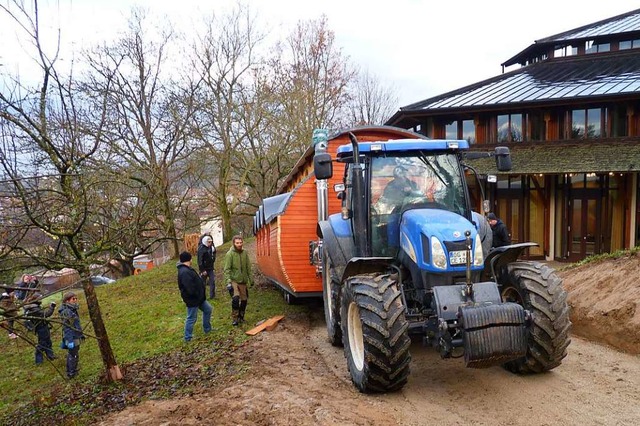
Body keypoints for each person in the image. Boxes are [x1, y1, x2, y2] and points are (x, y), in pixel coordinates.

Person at [177, 251, 212, 341]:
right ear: (189, 259)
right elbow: (189, 288)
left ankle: (207, 329)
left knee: (208, 309)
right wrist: (196, 294)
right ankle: (187, 337)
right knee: (191, 318)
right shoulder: (184, 271)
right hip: (193, 299)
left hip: (199, 298)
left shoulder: (186, 269)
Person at [223, 235, 253, 326]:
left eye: (240, 242)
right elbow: (227, 269)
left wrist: (250, 279)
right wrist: (228, 281)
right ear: (234, 243)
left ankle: (241, 316)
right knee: (235, 299)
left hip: (243, 280)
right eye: (237, 243)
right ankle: (235, 318)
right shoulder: (230, 254)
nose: (239, 244)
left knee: (244, 300)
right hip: (233, 280)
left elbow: (248, 267)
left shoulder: (245, 253)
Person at [23, 293, 56, 364]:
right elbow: (45, 314)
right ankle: (38, 361)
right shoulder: (34, 308)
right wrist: (52, 307)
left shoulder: (35, 306)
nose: (41, 299)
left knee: (48, 342)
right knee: (42, 344)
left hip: (43, 326)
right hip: (40, 327)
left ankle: (51, 356)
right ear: (36, 299)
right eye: (40, 298)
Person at [59, 292, 84, 378]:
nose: (75, 300)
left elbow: (76, 324)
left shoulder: (72, 309)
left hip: (75, 335)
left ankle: (72, 370)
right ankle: (71, 373)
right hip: (72, 337)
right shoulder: (67, 312)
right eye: (73, 299)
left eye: (76, 298)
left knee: (73, 353)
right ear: (67, 301)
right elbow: (67, 328)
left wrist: (81, 335)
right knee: (73, 354)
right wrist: (70, 340)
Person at [197, 235, 217, 299]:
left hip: (210, 268)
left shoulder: (211, 247)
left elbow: (212, 256)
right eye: (208, 242)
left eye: (211, 242)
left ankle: (212, 296)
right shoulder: (201, 249)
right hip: (204, 269)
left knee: (212, 282)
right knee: (202, 283)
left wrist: (213, 258)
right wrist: (202, 270)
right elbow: (200, 260)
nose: (210, 243)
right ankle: (202, 296)